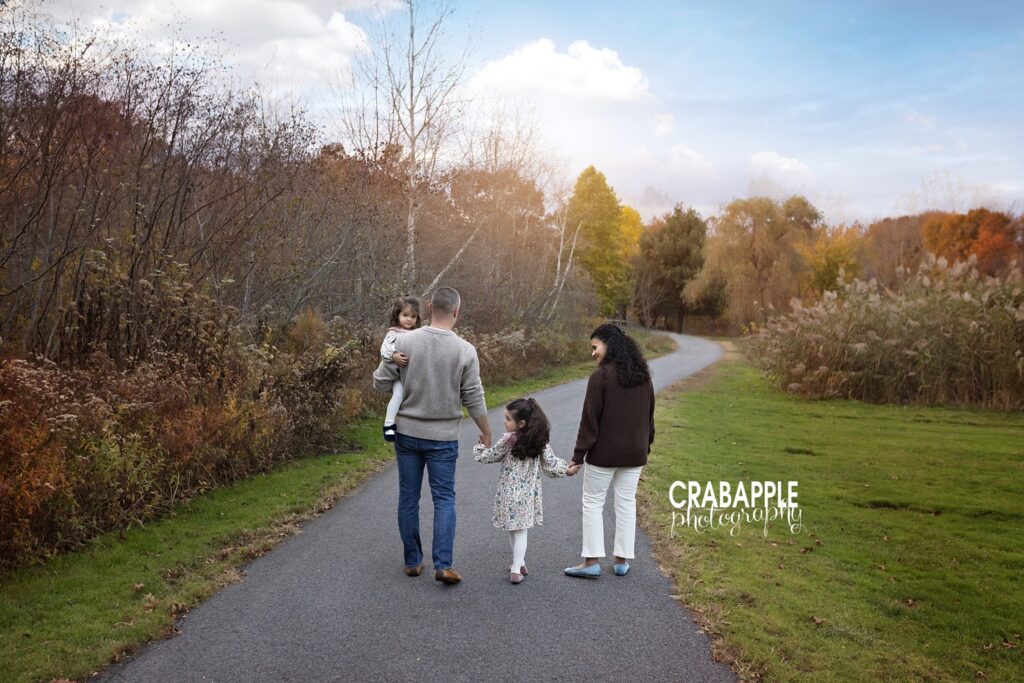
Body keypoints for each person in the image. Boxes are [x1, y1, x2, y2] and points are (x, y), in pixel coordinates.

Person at [372, 286, 491, 585]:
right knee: (444, 498)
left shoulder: (404, 341)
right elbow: (473, 396)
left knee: (408, 496)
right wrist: (486, 431)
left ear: (428, 308)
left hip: (407, 433)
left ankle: (413, 561)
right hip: (443, 438)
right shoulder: (465, 350)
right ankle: (443, 564)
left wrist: (395, 368)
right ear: (456, 311)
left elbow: (380, 382)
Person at [564, 324, 655, 579]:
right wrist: (645, 445)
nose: (593, 352)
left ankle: (591, 562)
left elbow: (589, 422)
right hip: (635, 454)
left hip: (604, 455)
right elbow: (649, 416)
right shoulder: (643, 376)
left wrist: (577, 457)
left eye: (595, 347)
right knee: (626, 504)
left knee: (593, 503)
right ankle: (621, 561)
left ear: (609, 344)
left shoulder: (600, 377)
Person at [473, 398, 576, 584]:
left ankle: (517, 565)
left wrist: (481, 447)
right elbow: (551, 465)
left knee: (513, 530)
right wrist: (567, 470)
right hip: (526, 496)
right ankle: (517, 565)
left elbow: (488, 456)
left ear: (521, 423)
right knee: (521, 531)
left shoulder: (507, 441)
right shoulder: (539, 443)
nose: (504, 422)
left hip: (507, 494)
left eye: (508, 419)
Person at [380, 295, 420, 442]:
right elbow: (384, 350)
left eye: (413, 316)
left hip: (414, 375)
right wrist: (394, 355)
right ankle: (388, 425)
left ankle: (412, 426)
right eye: (405, 315)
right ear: (397, 315)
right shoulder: (394, 333)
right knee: (398, 395)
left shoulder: (418, 334)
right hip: (400, 375)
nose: (409, 319)